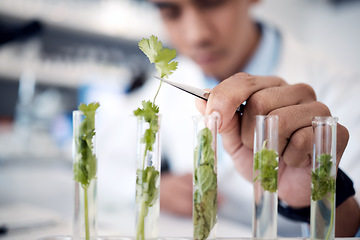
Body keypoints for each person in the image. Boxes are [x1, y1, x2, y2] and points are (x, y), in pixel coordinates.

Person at [141, 0, 360, 237]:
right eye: (170, 12)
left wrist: (318, 199)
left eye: (212, 4)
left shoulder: (346, 91)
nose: (197, 35)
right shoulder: (171, 80)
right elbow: (111, 155)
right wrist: (158, 184)